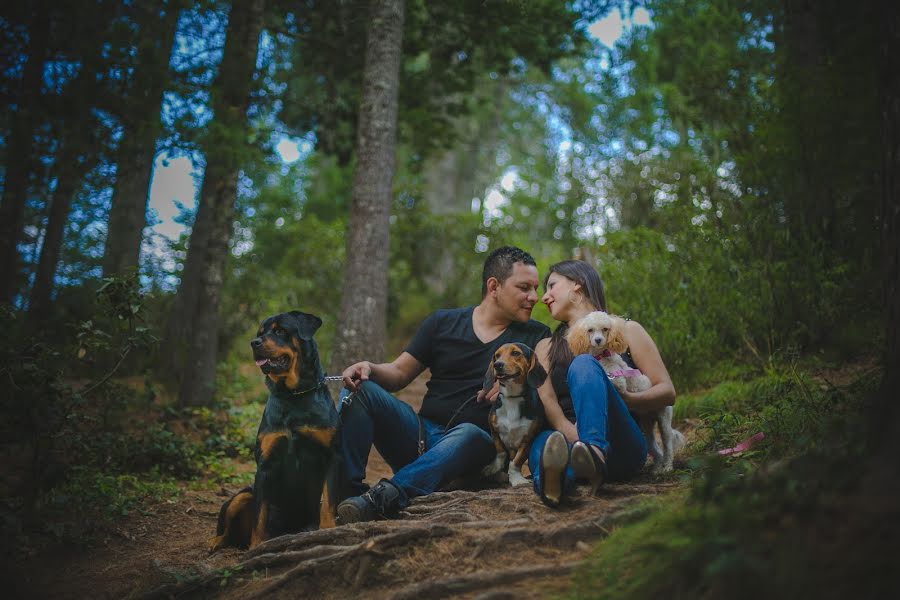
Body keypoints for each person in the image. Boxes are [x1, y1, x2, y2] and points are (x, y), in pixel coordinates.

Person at [335, 246, 552, 523]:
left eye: (535, 288)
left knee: (469, 433)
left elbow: (542, 383)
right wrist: (369, 368)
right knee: (360, 391)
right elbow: (399, 373)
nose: (533, 297)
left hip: (476, 450)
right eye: (524, 288)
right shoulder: (443, 323)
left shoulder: (535, 336)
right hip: (421, 436)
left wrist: (518, 386)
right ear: (494, 286)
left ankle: (381, 499)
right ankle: (346, 498)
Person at [529, 259, 675, 507]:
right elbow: (549, 403)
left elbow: (667, 392)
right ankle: (555, 483)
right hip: (568, 438)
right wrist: (575, 436)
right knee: (544, 442)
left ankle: (593, 452)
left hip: (620, 444)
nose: (545, 297)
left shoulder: (627, 330)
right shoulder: (545, 347)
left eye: (552, 285)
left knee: (584, 364)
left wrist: (629, 400)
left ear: (577, 284)